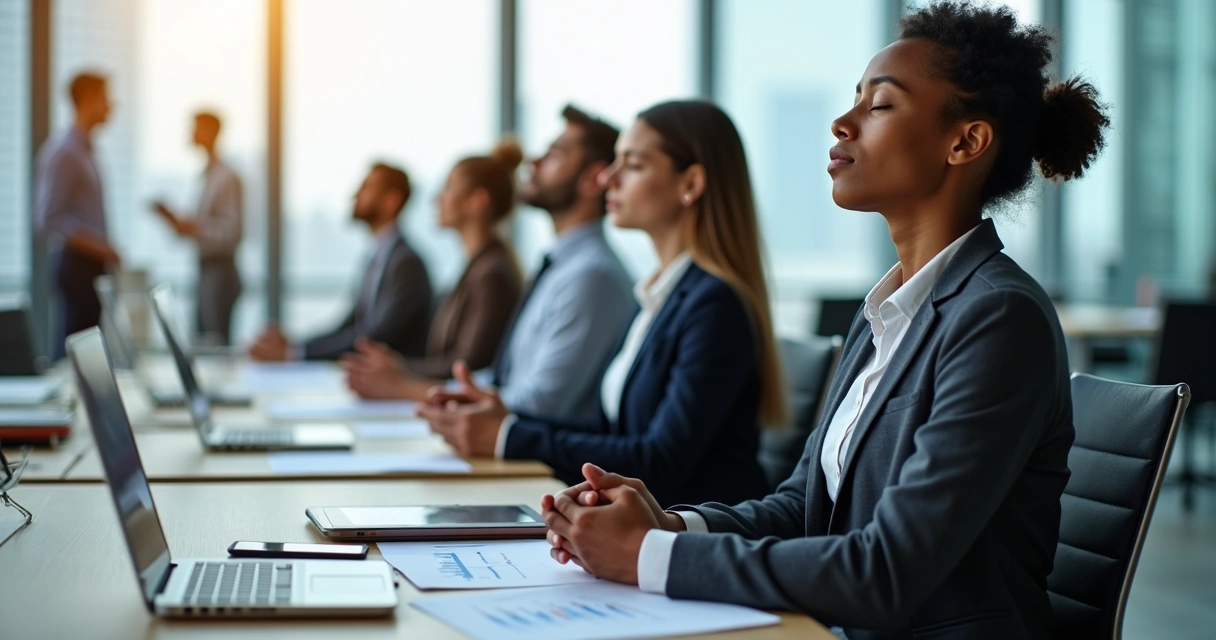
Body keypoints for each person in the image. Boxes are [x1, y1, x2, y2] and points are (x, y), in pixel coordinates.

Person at [540, 3, 1110, 639]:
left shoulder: (999, 318)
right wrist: (670, 525)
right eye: (853, 102)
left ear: (965, 141)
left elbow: (884, 572)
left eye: (881, 106)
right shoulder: (886, 313)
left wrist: (649, 557)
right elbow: (806, 505)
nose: (842, 123)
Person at [418, 100, 786, 508]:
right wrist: (504, 418)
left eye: (632, 164)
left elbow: (662, 459)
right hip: (638, 524)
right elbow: (614, 432)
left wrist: (508, 435)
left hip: (693, 537)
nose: (609, 177)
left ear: (690, 184)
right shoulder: (659, 295)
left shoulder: (715, 304)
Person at [348, 105, 634, 422]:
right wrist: (410, 381)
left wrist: (408, 387)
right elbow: (502, 381)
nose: (534, 161)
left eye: (554, 155)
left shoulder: (590, 276)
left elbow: (539, 403)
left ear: (594, 179)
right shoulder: (559, 267)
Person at [341, 139, 525, 399]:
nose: (438, 197)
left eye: (449, 188)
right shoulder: (476, 267)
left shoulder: (491, 275)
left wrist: (400, 370)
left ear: (477, 202)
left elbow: (464, 366)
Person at [248, 163, 432, 361]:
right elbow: (351, 325)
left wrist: (294, 354)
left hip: (393, 385)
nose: (355, 195)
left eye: (366, 188)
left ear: (391, 201)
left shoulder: (406, 263)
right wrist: (297, 346)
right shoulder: (377, 258)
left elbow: (378, 335)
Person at [34, 72, 120, 359]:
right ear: (88, 99)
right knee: (77, 357)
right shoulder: (65, 152)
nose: (111, 106)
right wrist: (100, 246)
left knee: (91, 355)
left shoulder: (86, 150)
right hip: (77, 264)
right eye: (106, 98)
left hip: (91, 265)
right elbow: (49, 217)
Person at [152, 112, 243, 346]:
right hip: (206, 270)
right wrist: (179, 224)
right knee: (203, 341)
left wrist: (195, 229)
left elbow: (232, 233)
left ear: (211, 132)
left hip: (220, 271)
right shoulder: (205, 176)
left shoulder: (227, 177)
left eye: (196, 128)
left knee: (215, 345)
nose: (191, 133)